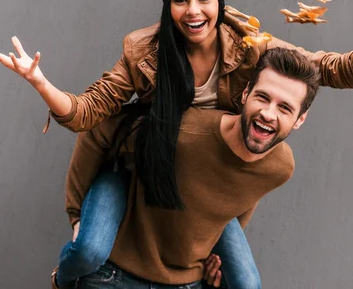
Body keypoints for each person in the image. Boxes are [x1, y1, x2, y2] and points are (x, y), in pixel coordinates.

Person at [0, 0, 353, 288]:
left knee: (244, 282)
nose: (193, 11)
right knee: (86, 249)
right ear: (168, 5)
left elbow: (325, 68)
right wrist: (41, 83)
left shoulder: (250, 48)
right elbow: (90, 113)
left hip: (210, 172)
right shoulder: (144, 52)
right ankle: (62, 282)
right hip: (143, 162)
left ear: (219, 1)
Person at [64, 47, 321, 289]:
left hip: (185, 281)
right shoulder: (183, 133)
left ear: (300, 119)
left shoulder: (280, 167)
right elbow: (100, 128)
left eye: (285, 108)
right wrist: (76, 214)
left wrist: (216, 253)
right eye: (262, 97)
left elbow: (245, 193)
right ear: (245, 95)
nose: (268, 113)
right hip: (115, 271)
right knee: (88, 250)